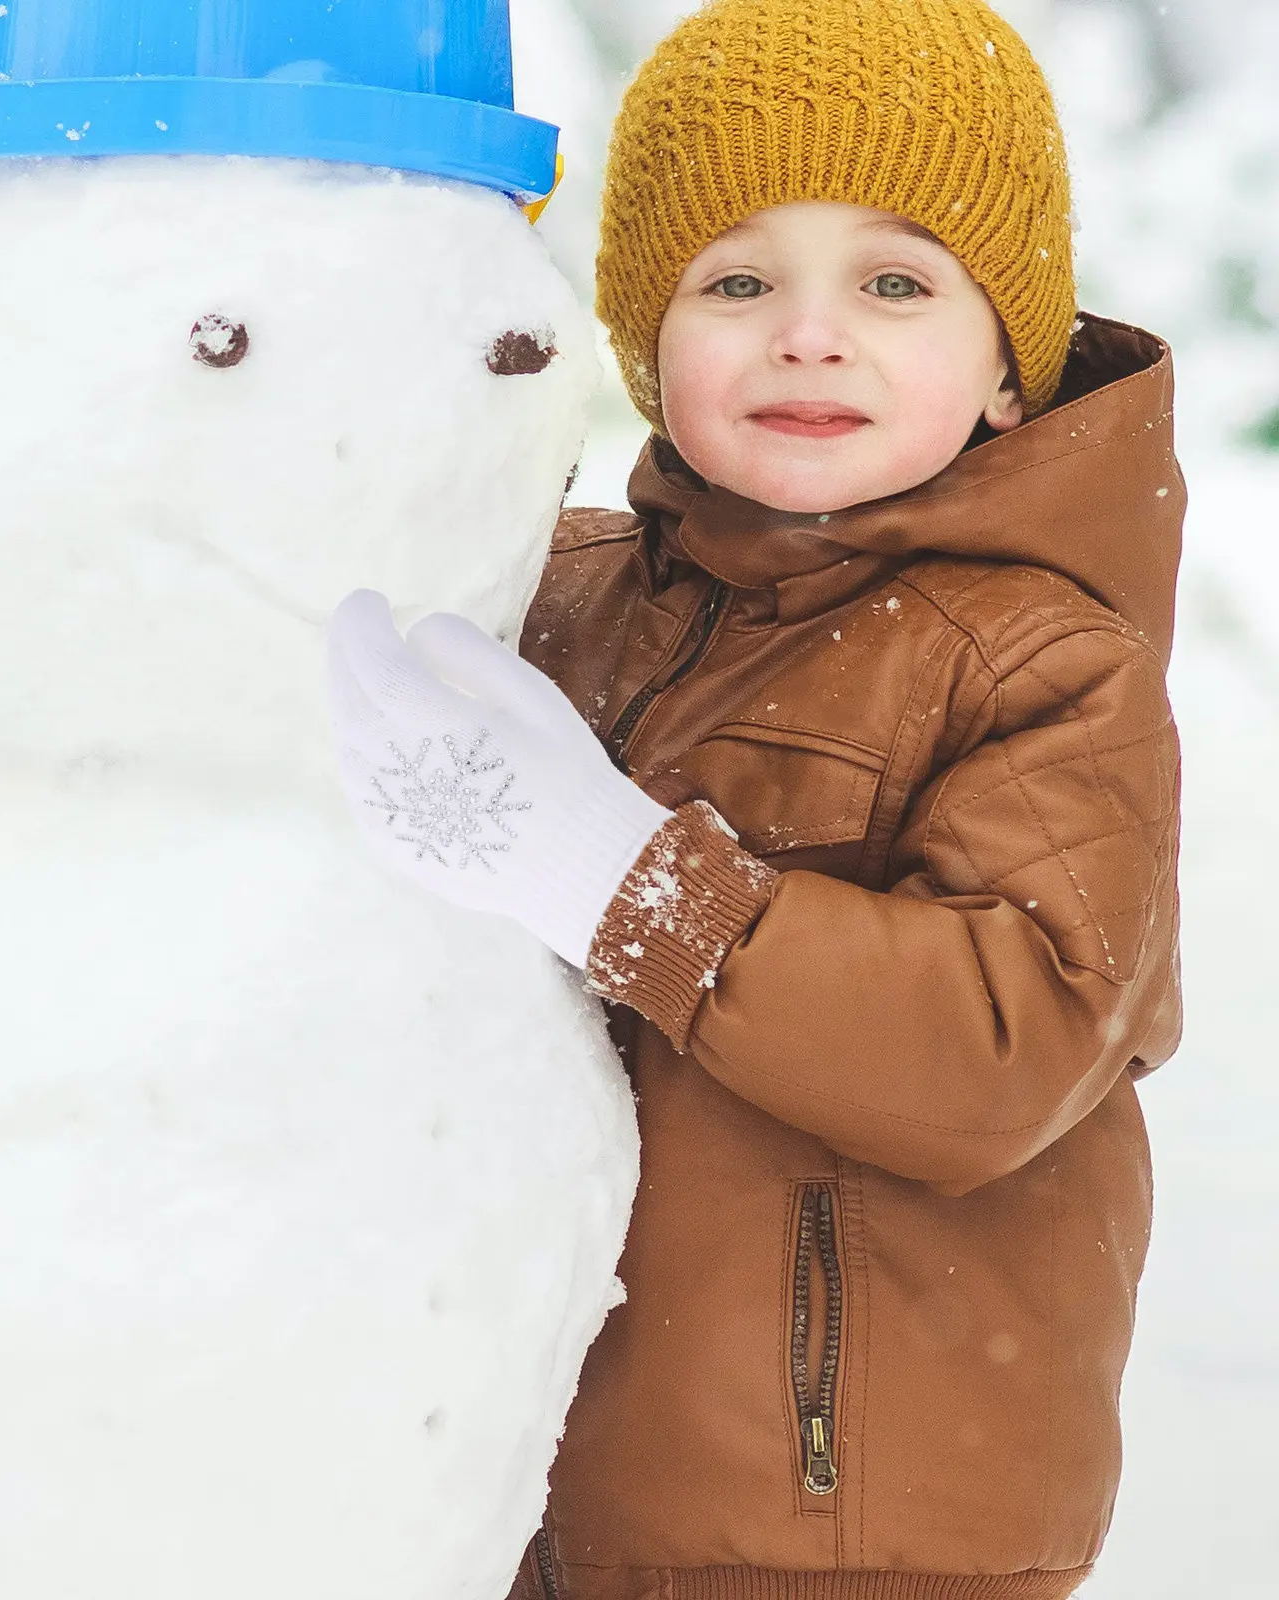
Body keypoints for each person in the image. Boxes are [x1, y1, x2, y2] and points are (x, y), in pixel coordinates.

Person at [325, 1, 1184, 1596]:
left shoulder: (1045, 668)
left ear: (1010, 365)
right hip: (518, 1491)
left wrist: (628, 886)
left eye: (894, 282)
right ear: (652, 353)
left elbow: (1003, 1050)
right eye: (737, 281)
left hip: (848, 1534)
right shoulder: (557, 595)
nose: (809, 332)